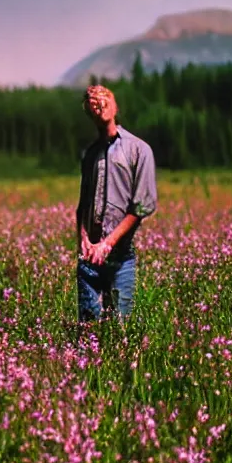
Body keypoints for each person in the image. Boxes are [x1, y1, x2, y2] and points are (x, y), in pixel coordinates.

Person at [76, 84, 157, 325]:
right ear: (89, 112)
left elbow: (141, 206)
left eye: (105, 96)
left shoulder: (139, 150)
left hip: (120, 256)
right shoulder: (90, 155)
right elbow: (82, 206)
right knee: (88, 330)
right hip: (89, 258)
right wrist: (83, 240)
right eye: (93, 99)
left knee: (121, 329)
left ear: (115, 105)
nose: (99, 101)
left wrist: (108, 243)